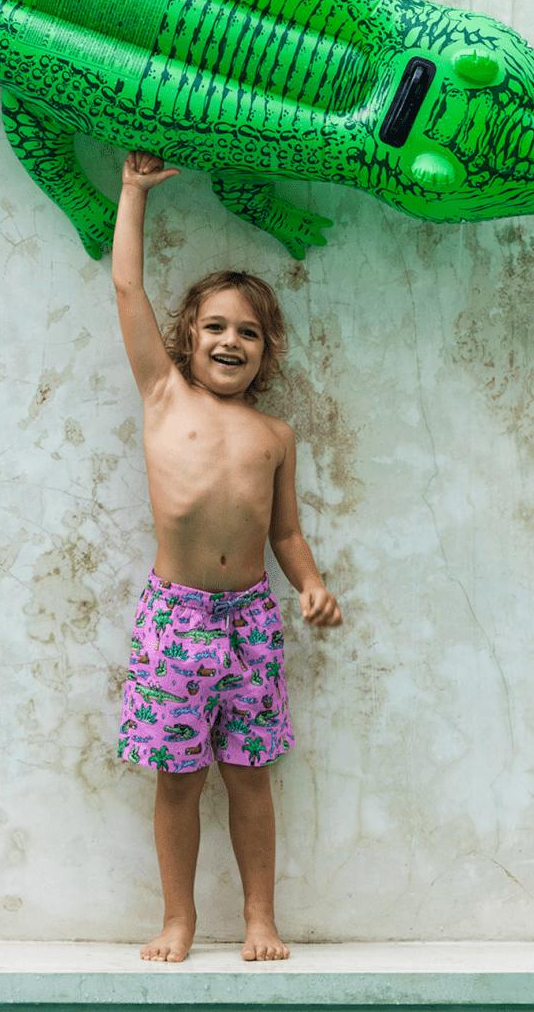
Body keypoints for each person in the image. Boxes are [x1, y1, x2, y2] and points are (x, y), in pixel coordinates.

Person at [112, 150, 343, 963]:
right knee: (178, 776)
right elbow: (127, 289)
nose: (229, 340)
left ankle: (258, 916)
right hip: (175, 616)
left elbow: (283, 532)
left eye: (247, 330)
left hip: (249, 619)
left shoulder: (275, 435)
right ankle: (178, 919)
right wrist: (133, 193)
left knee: (250, 772)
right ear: (186, 337)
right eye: (214, 326)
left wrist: (309, 582)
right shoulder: (163, 394)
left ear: (267, 348)